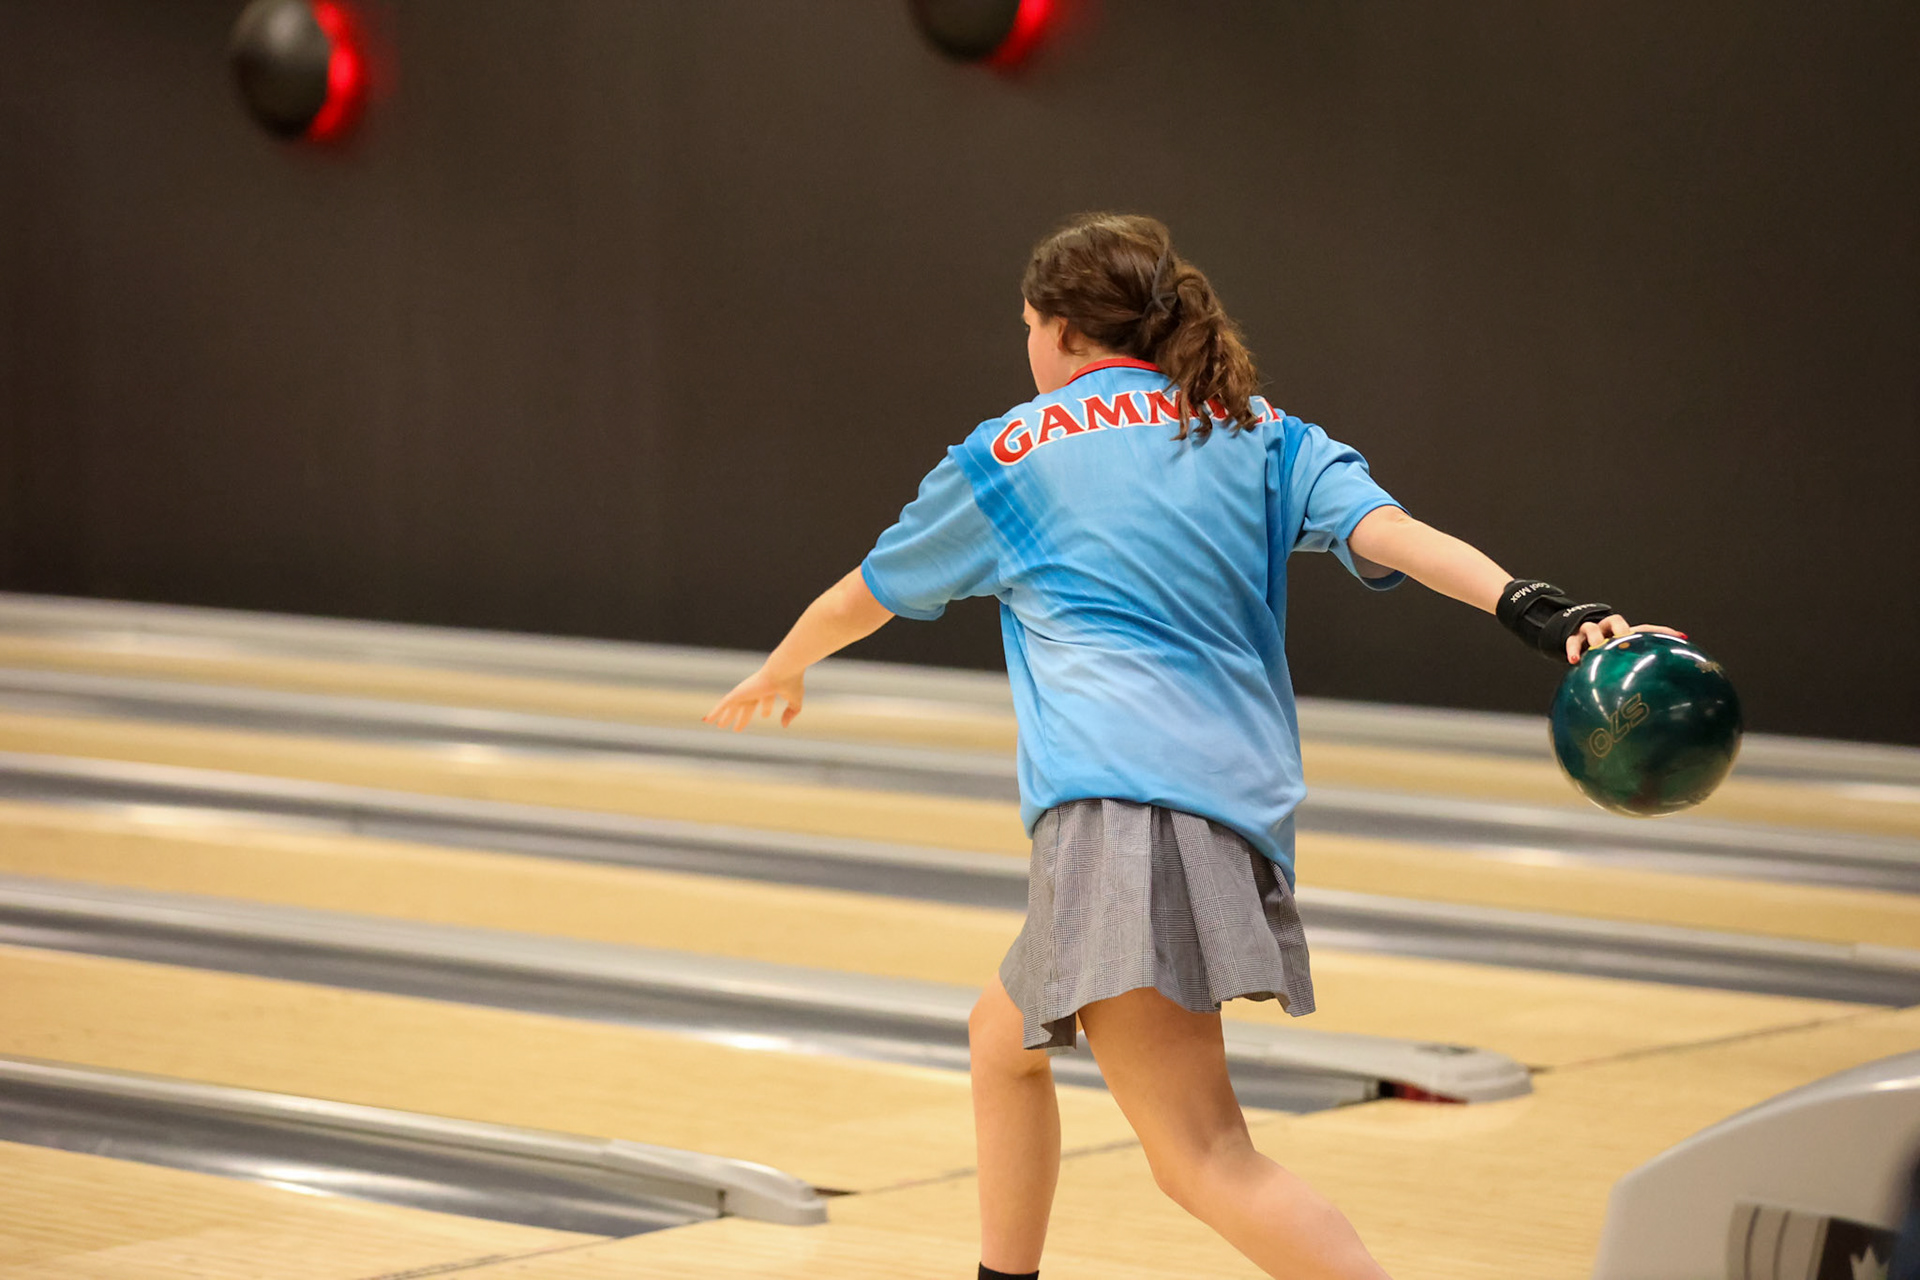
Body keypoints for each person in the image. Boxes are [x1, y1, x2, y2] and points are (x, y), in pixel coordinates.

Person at [704, 212, 1675, 1280]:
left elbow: (863, 594)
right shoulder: (1251, 427)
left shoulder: (1010, 455)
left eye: (1028, 327)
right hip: (1219, 819)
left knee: (1205, 1158)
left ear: (1064, 330)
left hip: (1120, 825)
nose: (1027, 349)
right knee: (1003, 1037)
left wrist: (782, 664)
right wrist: (1532, 606)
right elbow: (1387, 529)